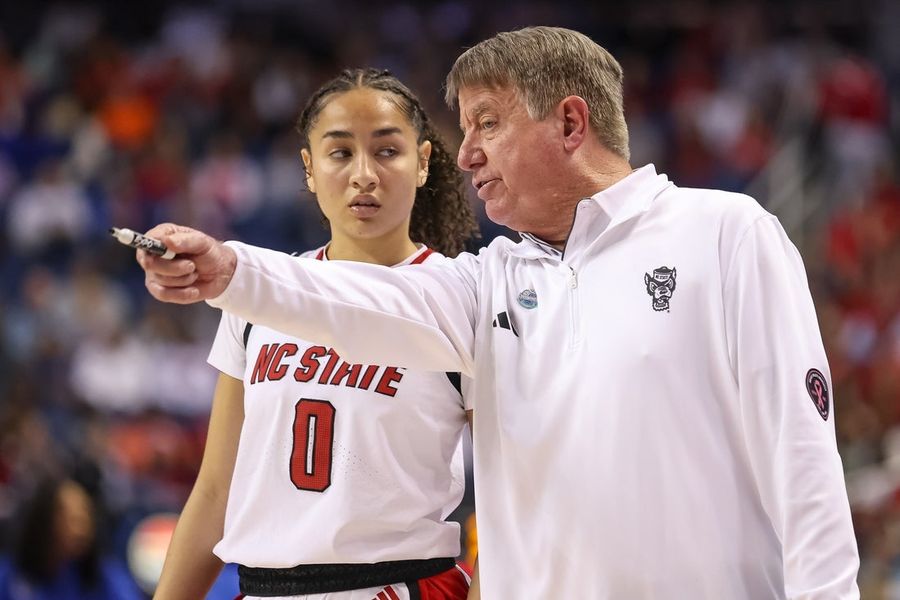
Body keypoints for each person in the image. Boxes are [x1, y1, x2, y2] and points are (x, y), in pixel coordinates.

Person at [138, 27, 861, 599]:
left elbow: (801, 457)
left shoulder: (725, 232)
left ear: (571, 122)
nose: (469, 152)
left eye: (487, 122)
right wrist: (230, 268)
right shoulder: (487, 282)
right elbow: (359, 295)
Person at [151, 68, 477, 600]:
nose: (364, 174)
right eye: (341, 152)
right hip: (261, 587)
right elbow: (215, 491)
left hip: (398, 585)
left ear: (422, 163)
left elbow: (506, 504)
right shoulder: (257, 299)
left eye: (388, 152)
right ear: (309, 168)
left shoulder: (463, 298)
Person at [0, 476, 143, 600]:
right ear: (45, 521)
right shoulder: (10, 576)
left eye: (85, 517)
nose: (81, 528)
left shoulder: (104, 577)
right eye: (71, 519)